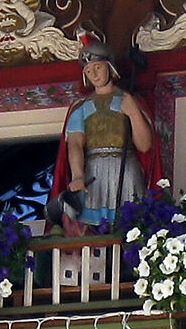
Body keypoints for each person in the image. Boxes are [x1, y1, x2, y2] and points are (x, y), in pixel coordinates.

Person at [52, 43, 154, 233]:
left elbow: (144, 145)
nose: (94, 74)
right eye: (89, 71)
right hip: (93, 172)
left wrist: (133, 113)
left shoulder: (128, 101)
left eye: (98, 67)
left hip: (125, 169)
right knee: (90, 227)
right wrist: (77, 175)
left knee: (131, 224)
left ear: (109, 66)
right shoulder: (81, 108)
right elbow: (74, 144)